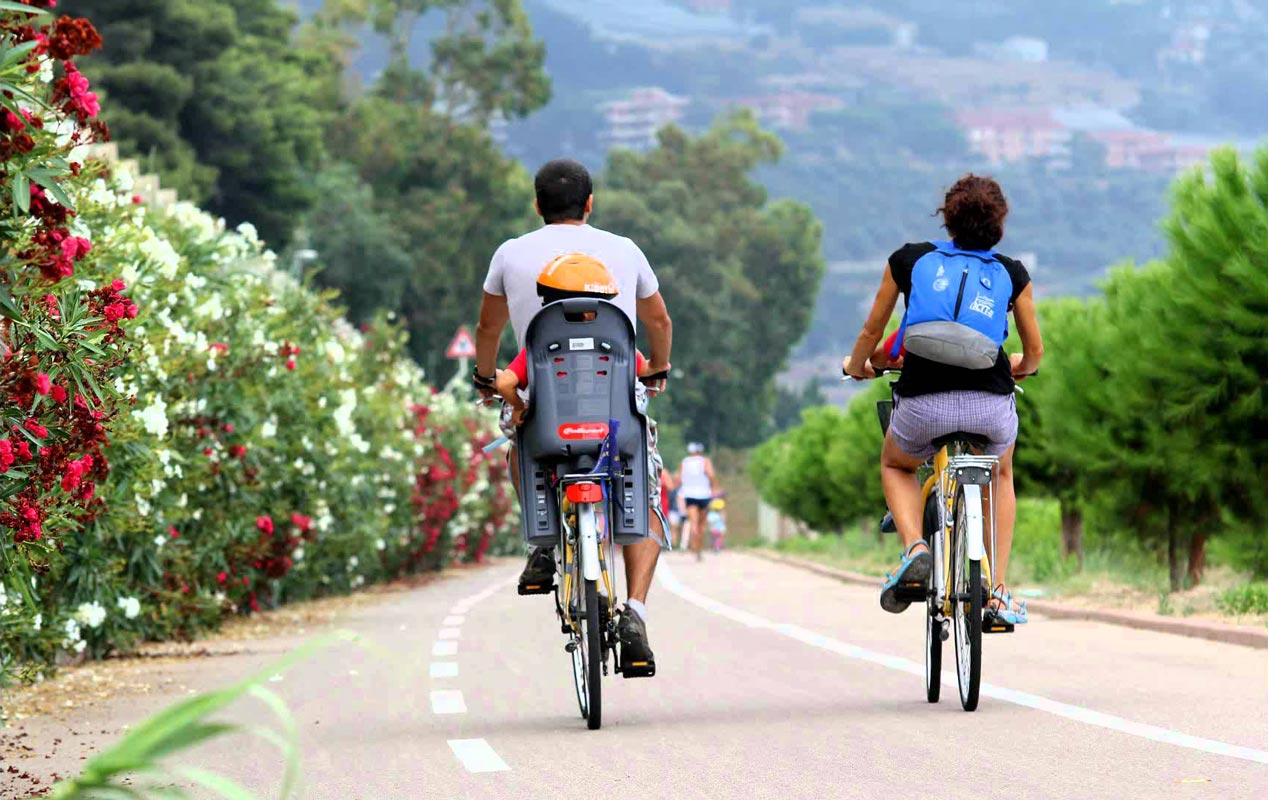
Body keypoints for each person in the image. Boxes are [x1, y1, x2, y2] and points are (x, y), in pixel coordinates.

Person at [474, 158, 673, 671]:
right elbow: (659, 320)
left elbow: (488, 330)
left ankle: (541, 544)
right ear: (590, 203)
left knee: (522, 446)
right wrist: (658, 369)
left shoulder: (510, 254)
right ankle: (635, 611)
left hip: (545, 418)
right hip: (616, 421)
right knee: (644, 486)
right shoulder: (624, 251)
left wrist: (490, 381)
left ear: (537, 205)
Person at [842, 174, 1043, 625]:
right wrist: (1022, 366)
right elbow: (1035, 351)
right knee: (1001, 471)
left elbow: (874, 332)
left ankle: (915, 548)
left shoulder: (909, 261)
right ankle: (998, 591)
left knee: (896, 464)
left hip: (922, 406)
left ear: (947, 218)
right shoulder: (1013, 274)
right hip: (990, 405)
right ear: (1000, 226)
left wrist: (858, 365)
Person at [677, 442, 718, 561]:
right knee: (701, 525)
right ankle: (699, 549)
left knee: (693, 523)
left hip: (689, 494)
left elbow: (678, 479)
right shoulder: (705, 461)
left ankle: (694, 547)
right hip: (704, 494)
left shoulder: (684, 462)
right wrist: (714, 487)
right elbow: (711, 474)